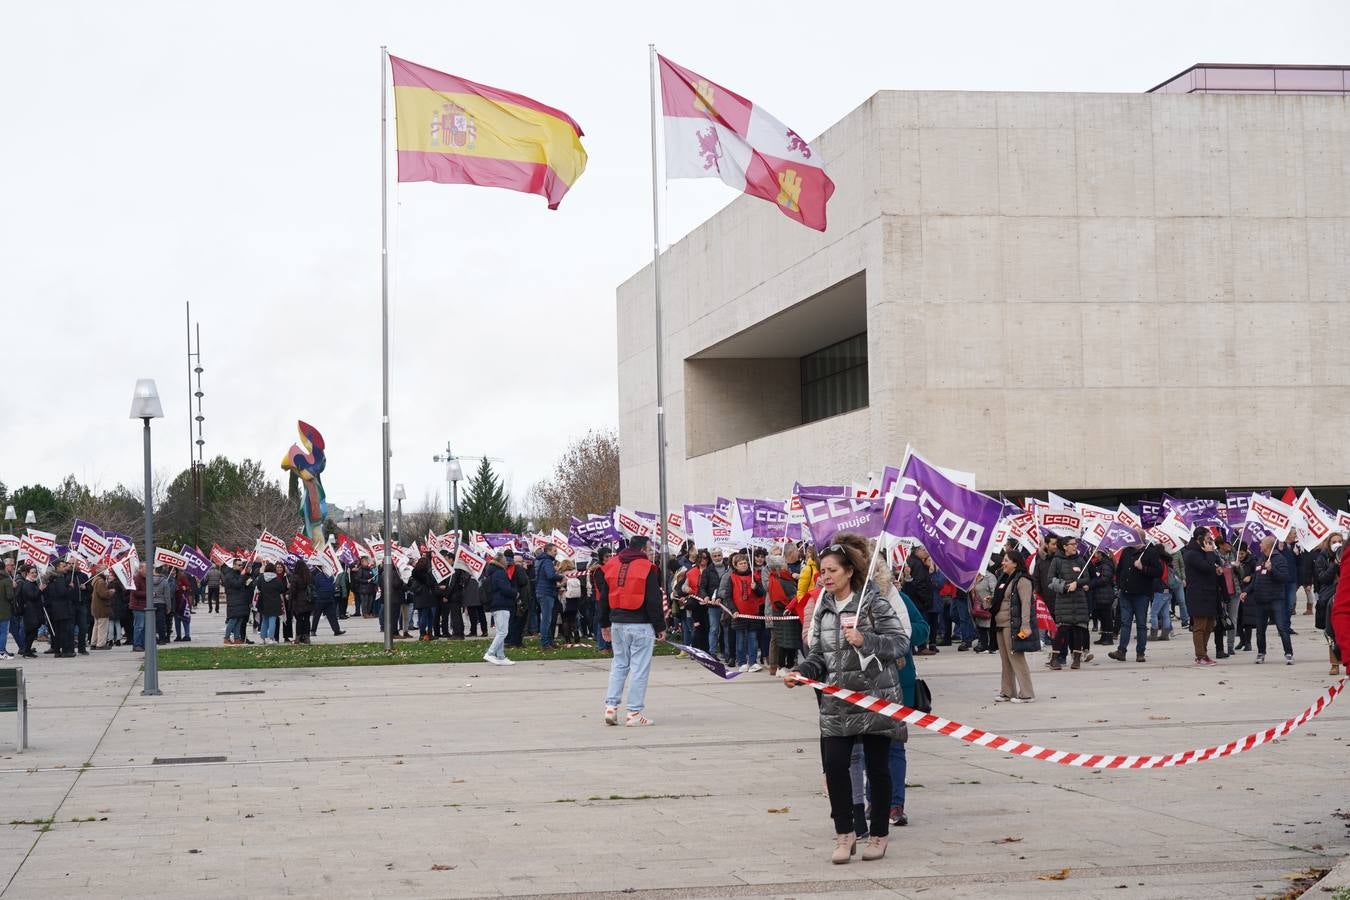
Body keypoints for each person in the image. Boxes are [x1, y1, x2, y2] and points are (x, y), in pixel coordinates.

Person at [783, 533, 908, 863]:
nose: (825, 577)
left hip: (876, 697)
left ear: (850, 571)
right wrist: (801, 672)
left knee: (878, 769)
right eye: (822, 571)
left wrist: (865, 639)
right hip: (838, 702)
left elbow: (899, 644)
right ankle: (845, 833)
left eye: (832, 570)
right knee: (835, 765)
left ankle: (878, 833)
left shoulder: (873, 602)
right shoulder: (823, 608)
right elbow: (820, 656)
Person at [597, 536, 664, 726]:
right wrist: (660, 626)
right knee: (639, 668)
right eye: (650, 549)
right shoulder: (647, 568)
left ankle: (611, 707)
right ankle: (634, 712)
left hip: (617, 621)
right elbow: (653, 600)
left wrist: (604, 623)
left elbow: (603, 598)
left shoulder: (612, 564)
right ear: (642, 549)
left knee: (619, 664)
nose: (651, 553)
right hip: (640, 623)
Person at [992, 549, 1037, 702]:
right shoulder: (1004, 578)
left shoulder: (1023, 580)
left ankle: (1027, 693)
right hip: (1000, 624)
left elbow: (1026, 605)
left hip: (1013, 625)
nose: (1003, 563)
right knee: (1005, 660)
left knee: (1016, 658)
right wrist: (989, 601)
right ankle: (1007, 691)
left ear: (1015, 563)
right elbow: (1001, 600)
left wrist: (1025, 625)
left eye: (1006, 560)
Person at [1109, 542, 1163, 663]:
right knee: (1125, 623)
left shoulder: (1150, 552)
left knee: (1141, 624)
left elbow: (1158, 572)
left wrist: (1142, 568)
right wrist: (1119, 585)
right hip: (1125, 593)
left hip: (1141, 594)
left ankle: (1140, 652)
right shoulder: (1127, 551)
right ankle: (1121, 651)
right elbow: (1120, 570)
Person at [1249, 535, 1295, 664]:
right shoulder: (1260, 559)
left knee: (1282, 628)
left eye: (1262, 543)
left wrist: (1272, 569)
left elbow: (1284, 578)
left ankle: (1288, 653)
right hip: (1260, 600)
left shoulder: (1280, 559)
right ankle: (1261, 653)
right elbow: (1256, 579)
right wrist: (1246, 592)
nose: (1259, 545)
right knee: (1260, 630)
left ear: (1268, 546)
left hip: (1276, 600)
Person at [1182, 527, 1223, 666]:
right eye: (1207, 538)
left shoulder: (1206, 552)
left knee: (1209, 625)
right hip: (1198, 594)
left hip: (1210, 593)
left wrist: (1215, 564)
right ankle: (1200, 655)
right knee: (1200, 626)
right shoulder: (1191, 553)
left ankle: (1203, 653)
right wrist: (1210, 554)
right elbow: (1206, 567)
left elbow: (1214, 563)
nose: (1210, 540)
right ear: (1200, 538)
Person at [1047, 536, 1090, 670]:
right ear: (1065, 546)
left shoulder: (1080, 560)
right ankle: (1055, 659)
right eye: (1072, 544)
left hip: (1079, 600)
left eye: (1075, 544)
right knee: (1062, 630)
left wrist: (1077, 583)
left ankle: (1076, 659)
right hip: (1063, 601)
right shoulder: (1057, 561)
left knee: (1078, 629)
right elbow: (1050, 580)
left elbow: (1087, 577)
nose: (1075, 546)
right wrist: (1065, 586)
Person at [719, 552, 765, 673]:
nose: (744, 565)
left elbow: (761, 593)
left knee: (753, 638)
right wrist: (733, 610)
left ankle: (753, 662)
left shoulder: (754, 576)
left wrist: (756, 588)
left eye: (745, 563)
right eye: (741, 563)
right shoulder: (731, 577)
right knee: (740, 639)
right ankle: (742, 662)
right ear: (735, 565)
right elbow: (728, 597)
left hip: (753, 613)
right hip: (738, 614)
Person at [482, 552, 520, 665]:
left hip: (496, 603)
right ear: (501, 561)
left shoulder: (492, 572)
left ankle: (501, 656)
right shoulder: (500, 573)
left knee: (500, 631)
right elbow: (505, 589)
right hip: (501, 603)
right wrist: (515, 593)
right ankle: (490, 653)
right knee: (503, 632)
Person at [766, 554, 799, 674]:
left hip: (791, 614)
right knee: (783, 642)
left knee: (791, 642)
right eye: (784, 563)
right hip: (783, 614)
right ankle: (781, 666)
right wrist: (791, 605)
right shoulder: (775, 580)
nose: (787, 565)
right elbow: (778, 600)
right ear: (779, 567)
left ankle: (790, 665)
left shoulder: (787, 578)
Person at [1315, 535, 1343, 676]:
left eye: (1339, 541)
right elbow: (1323, 578)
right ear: (1328, 544)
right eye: (1334, 542)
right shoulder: (1322, 558)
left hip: (1345, 595)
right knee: (1331, 632)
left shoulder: (1346, 555)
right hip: (1330, 597)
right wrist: (1335, 564)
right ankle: (1334, 664)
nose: (1337, 544)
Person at [534, 543, 564, 650]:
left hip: (544, 591)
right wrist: (561, 577)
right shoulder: (547, 561)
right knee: (546, 619)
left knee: (549, 619)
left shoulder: (541, 560)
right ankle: (545, 643)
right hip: (546, 592)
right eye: (554, 550)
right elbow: (550, 575)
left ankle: (550, 641)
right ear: (548, 551)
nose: (556, 553)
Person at [1086, 548, 1117, 647]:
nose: (1094, 554)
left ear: (1100, 554)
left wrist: (1091, 584)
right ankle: (1104, 636)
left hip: (1105, 593)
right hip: (1100, 594)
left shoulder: (1106, 564)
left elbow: (1104, 579)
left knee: (1106, 616)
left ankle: (1108, 637)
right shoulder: (1099, 564)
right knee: (1102, 616)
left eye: (1096, 552)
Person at [256, 562, 287, 645]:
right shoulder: (276, 578)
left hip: (263, 601)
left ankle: (262, 639)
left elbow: (258, 587)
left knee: (264, 620)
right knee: (272, 620)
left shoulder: (261, 577)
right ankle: (271, 638)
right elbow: (281, 589)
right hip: (274, 602)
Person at [16, 566, 44, 658]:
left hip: (34, 611)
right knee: (31, 632)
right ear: (27, 573)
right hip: (30, 612)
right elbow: (32, 596)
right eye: (32, 572)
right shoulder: (27, 584)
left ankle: (27, 650)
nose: (35, 574)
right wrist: (40, 590)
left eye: (35, 572)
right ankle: (27, 651)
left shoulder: (32, 583)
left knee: (32, 632)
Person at [223, 558, 252, 644]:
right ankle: (226, 637)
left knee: (239, 620)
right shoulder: (229, 575)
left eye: (241, 565)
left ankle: (236, 638)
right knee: (233, 619)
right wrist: (242, 576)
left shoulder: (239, 574)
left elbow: (244, 584)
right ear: (234, 565)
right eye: (239, 565)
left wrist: (247, 578)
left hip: (241, 600)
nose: (241, 567)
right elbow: (237, 584)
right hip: (234, 600)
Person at [311, 566, 345, 637]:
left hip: (329, 599)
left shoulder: (330, 576)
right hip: (320, 599)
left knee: (332, 616)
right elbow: (315, 587)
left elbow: (333, 586)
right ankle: (313, 631)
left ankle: (336, 630)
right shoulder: (317, 576)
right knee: (316, 616)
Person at [409, 556, 437, 640]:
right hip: (426, 596)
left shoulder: (414, 573)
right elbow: (430, 583)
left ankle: (423, 633)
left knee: (422, 615)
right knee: (428, 616)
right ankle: (425, 634)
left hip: (418, 597)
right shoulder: (425, 574)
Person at [557, 559, 582, 645]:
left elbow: (558, 585)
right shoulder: (576, 573)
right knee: (574, 618)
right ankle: (576, 634)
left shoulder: (561, 575)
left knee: (565, 619)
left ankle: (567, 638)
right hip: (575, 598)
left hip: (565, 599)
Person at [90, 568, 114, 649]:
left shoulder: (96, 580)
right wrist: (110, 592)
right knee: (102, 626)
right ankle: (100, 644)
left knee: (96, 625)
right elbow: (103, 594)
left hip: (97, 606)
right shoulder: (101, 582)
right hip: (102, 607)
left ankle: (94, 642)